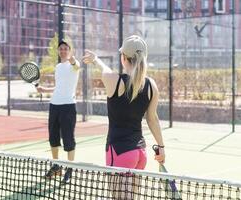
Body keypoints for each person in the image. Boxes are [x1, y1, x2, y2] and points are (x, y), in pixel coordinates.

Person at [82, 35, 165, 199]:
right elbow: (152, 119)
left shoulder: (113, 81)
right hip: (140, 153)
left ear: (123, 58)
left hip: (120, 152)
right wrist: (161, 147)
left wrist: (95, 59)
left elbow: (105, 70)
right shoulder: (151, 86)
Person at [37, 40, 80, 183]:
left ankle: (69, 168)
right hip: (54, 105)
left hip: (68, 106)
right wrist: (45, 89)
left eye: (66, 49)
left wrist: (73, 60)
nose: (63, 51)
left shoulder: (74, 66)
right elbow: (58, 87)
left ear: (70, 50)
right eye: (61, 48)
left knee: (68, 139)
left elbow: (76, 64)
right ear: (58, 51)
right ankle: (56, 166)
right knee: (53, 138)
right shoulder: (58, 67)